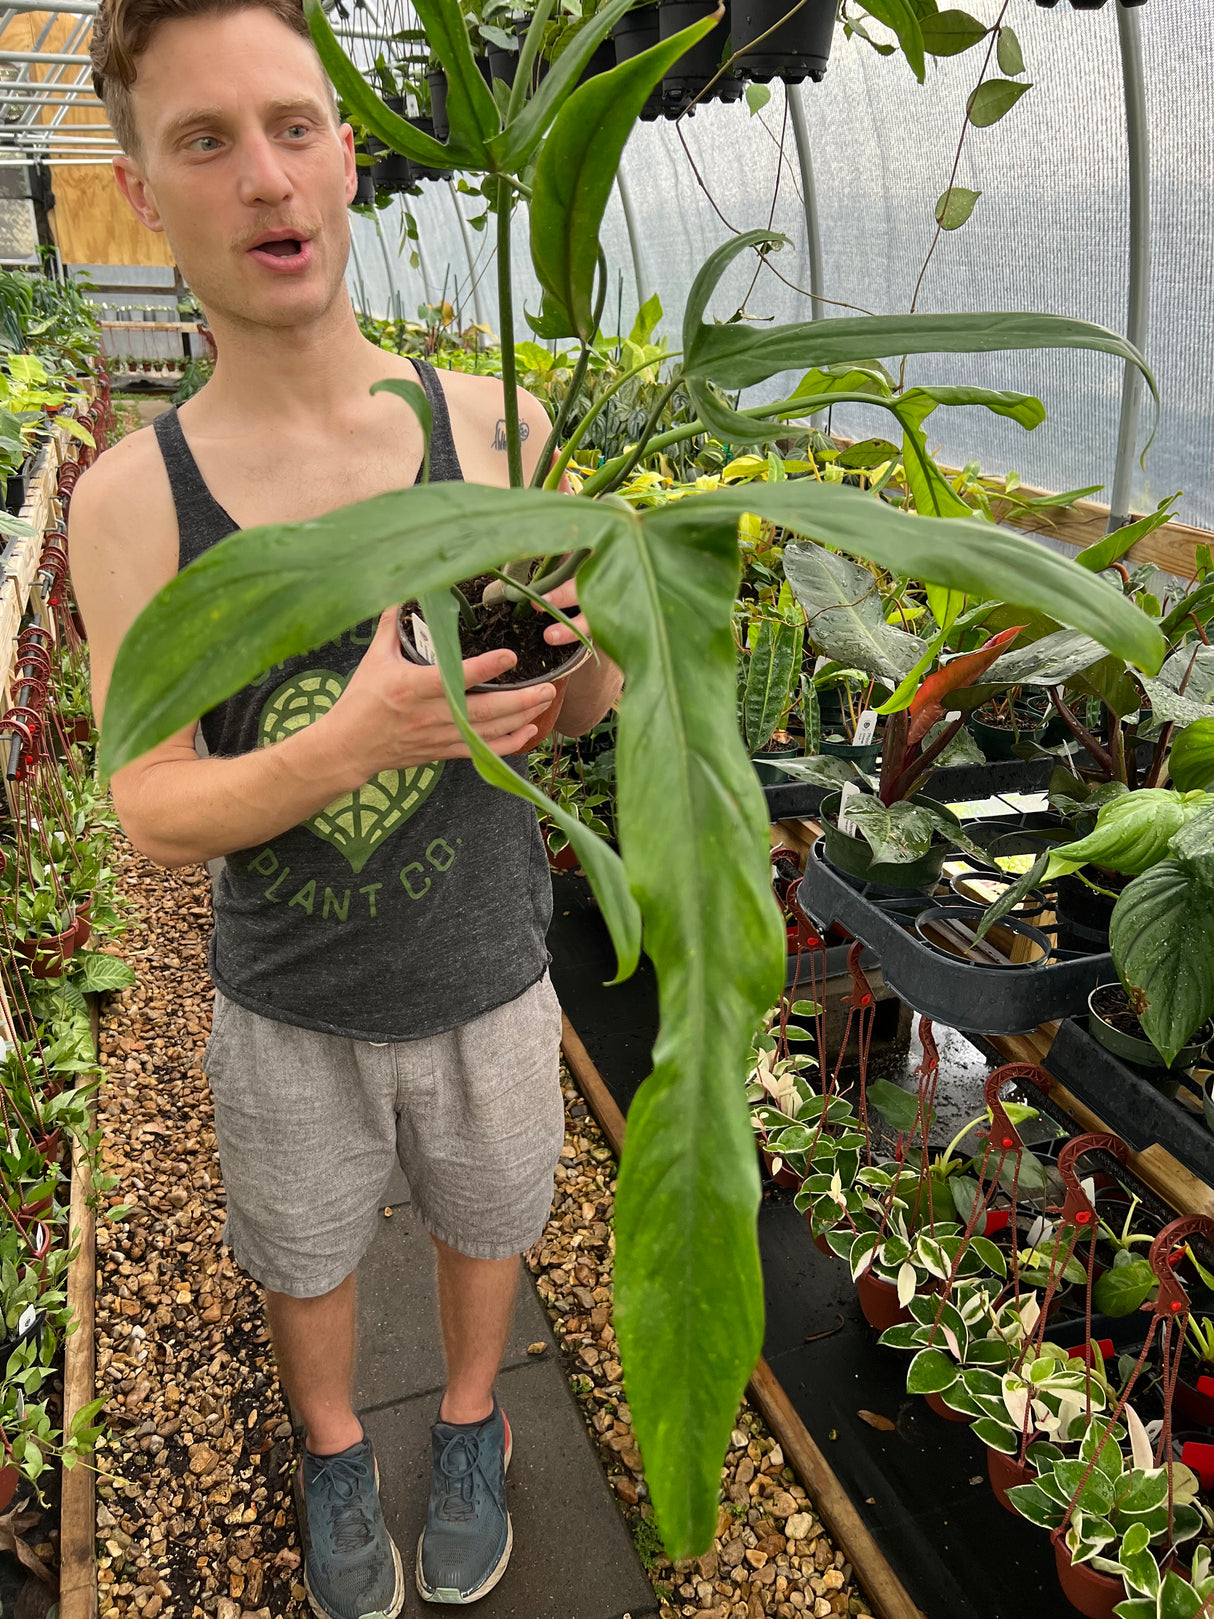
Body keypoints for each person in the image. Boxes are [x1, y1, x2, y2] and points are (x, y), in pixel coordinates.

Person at [70, 1, 622, 1610]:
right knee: (305, 1253)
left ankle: (467, 1426)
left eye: (292, 127)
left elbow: (577, 719)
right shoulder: (134, 500)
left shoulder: (491, 426)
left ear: (347, 155)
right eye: (204, 141)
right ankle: (330, 1446)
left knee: (487, 1215)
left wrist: (580, 666)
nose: (265, 179)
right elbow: (154, 813)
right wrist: (362, 737)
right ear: (141, 191)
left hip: (488, 970)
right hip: (291, 998)